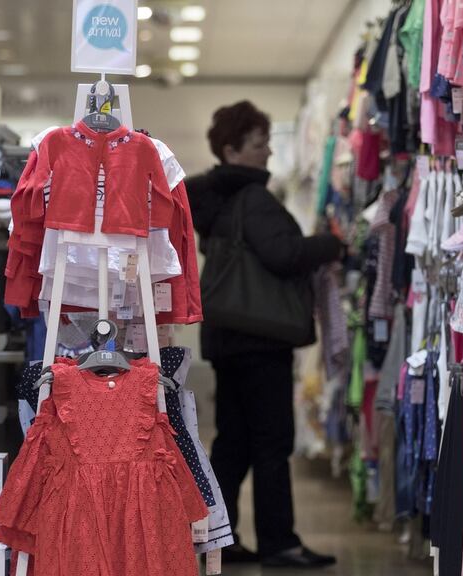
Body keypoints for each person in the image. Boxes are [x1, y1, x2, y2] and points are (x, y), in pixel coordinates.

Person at [186, 101, 344, 569]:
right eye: (259, 143)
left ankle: (221, 537)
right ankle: (280, 542)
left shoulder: (216, 202)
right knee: (273, 442)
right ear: (232, 149)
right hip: (261, 337)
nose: (269, 151)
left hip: (228, 337)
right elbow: (282, 254)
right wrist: (332, 243)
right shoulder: (253, 198)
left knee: (233, 442)